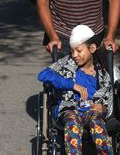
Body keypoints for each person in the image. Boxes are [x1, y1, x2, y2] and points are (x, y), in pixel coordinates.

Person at [37, 25, 113, 154]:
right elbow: (43, 75)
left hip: (91, 110)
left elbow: (108, 101)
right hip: (70, 108)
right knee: (73, 120)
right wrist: (71, 85)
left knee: (96, 121)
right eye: (72, 51)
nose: (75, 55)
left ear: (92, 48)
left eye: (78, 50)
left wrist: (103, 108)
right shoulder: (67, 63)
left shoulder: (102, 74)